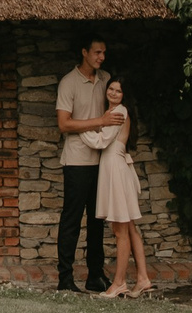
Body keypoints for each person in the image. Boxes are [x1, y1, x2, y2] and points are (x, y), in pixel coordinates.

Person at [54, 37, 124, 292]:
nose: (102, 57)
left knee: (97, 221)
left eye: (104, 52)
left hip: (102, 161)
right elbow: (64, 124)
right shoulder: (68, 83)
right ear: (84, 52)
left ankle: (95, 276)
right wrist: (100, 122)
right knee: (72, 220)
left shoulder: (106, 79)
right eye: (97, 52)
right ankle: (65, 279)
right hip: (77, 161)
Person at [82, 76, 148, 298]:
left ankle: (119, 282)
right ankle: (143, 278)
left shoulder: (118, 112)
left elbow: (100, 141)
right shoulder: (114, 112)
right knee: (129, 228)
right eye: (110, 88)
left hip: (117, 172)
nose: (112, 93)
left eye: (118, 91)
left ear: (123, 95)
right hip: (117, 168)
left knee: (120, 231)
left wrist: (81, 127)